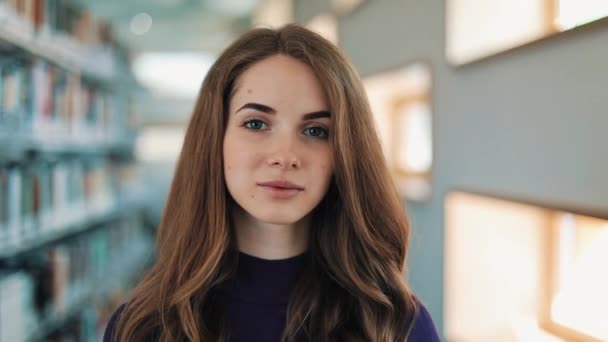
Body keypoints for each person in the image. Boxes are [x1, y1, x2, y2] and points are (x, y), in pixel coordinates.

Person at [103, 24, 441, 342]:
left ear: (344, 155)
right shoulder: (141, 327)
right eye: (256, 124)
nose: (285, 156)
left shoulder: (396, 325)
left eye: (316, 131)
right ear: (214, 139)